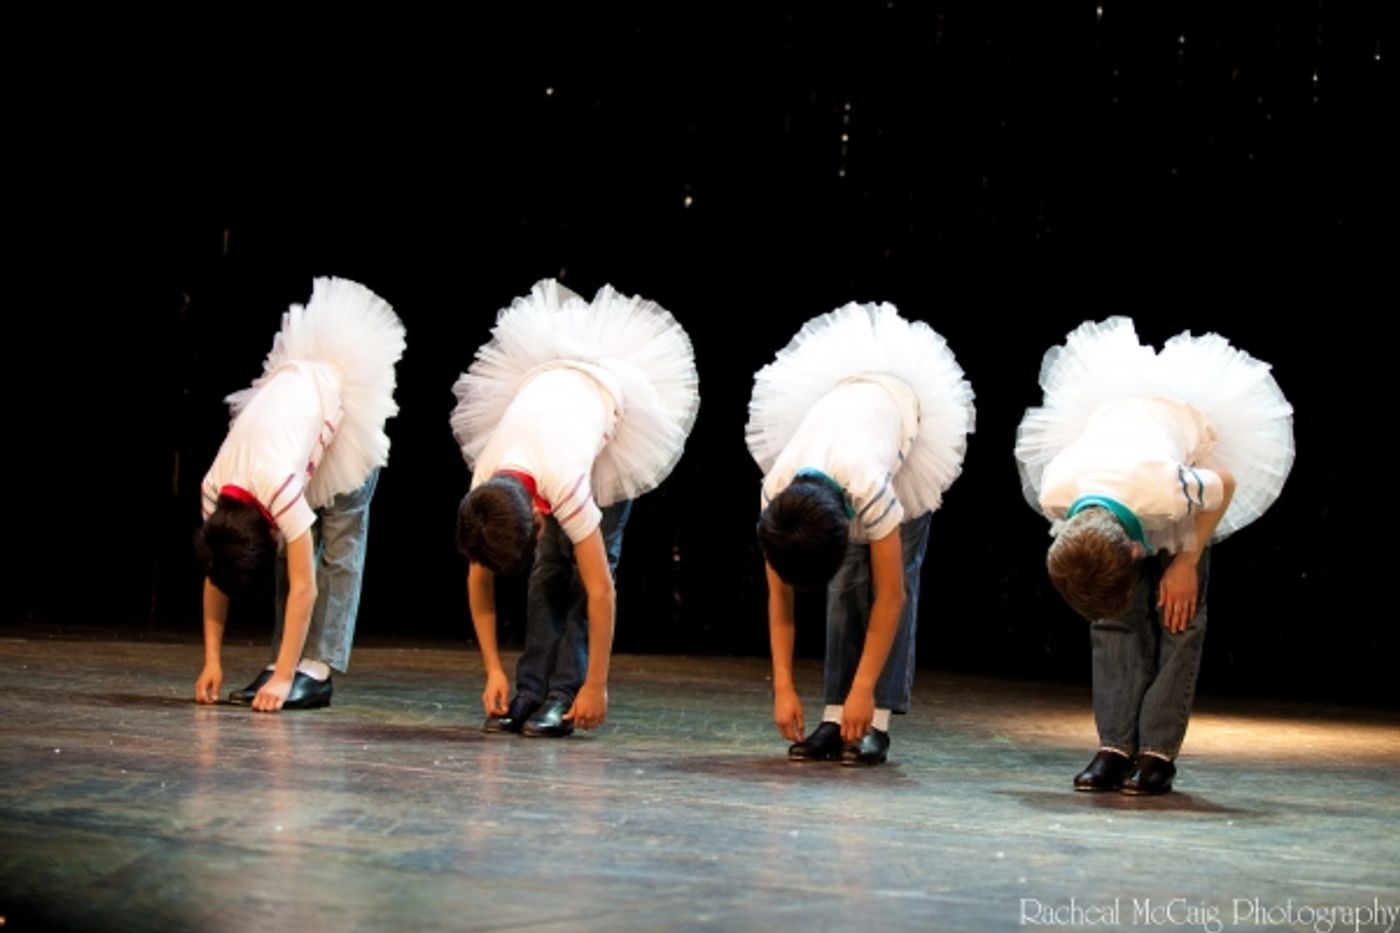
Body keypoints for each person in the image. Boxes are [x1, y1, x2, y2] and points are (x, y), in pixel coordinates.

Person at [1014, 317, 1294, 794]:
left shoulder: (1166, 488)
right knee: (1112, 617)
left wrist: (1186, 560)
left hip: (1181, 451)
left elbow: (1224, 484)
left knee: (1178, 616)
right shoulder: (1056, 489)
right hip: (1117, 455)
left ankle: (1157, 751)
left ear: (1133, 548)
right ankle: (1115, 746)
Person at [452, 279, 699, 737]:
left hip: (612, 414)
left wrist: (596, 687)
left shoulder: (564, 482)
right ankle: (530, 686)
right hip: (554, 396)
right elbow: (478, 579)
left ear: (539, 517)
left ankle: (565, 690)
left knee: (586, 567)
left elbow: (602, 591)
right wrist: (492, 670)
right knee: (546, 568)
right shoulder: (485, 484)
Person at [747, 302, 974, 765]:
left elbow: (892, 596)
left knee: (892, 578)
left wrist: (865, 690)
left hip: (903, 424)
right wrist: (784, 688)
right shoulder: (776, 494)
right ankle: (835, 714)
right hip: (845, 415)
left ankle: (876, 717)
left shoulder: (869, 484)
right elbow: (780, 599)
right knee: (845, 584)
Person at [194, 277, 406, 712]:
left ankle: (316, 668)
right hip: (296, 411)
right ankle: (281, 659)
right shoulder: (213, 491)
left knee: (340, 543)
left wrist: (288, 681)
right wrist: (211, 661)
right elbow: (216, 573)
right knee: (292, 557)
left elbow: (304, 587)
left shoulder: (277, 489)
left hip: (346, 404)